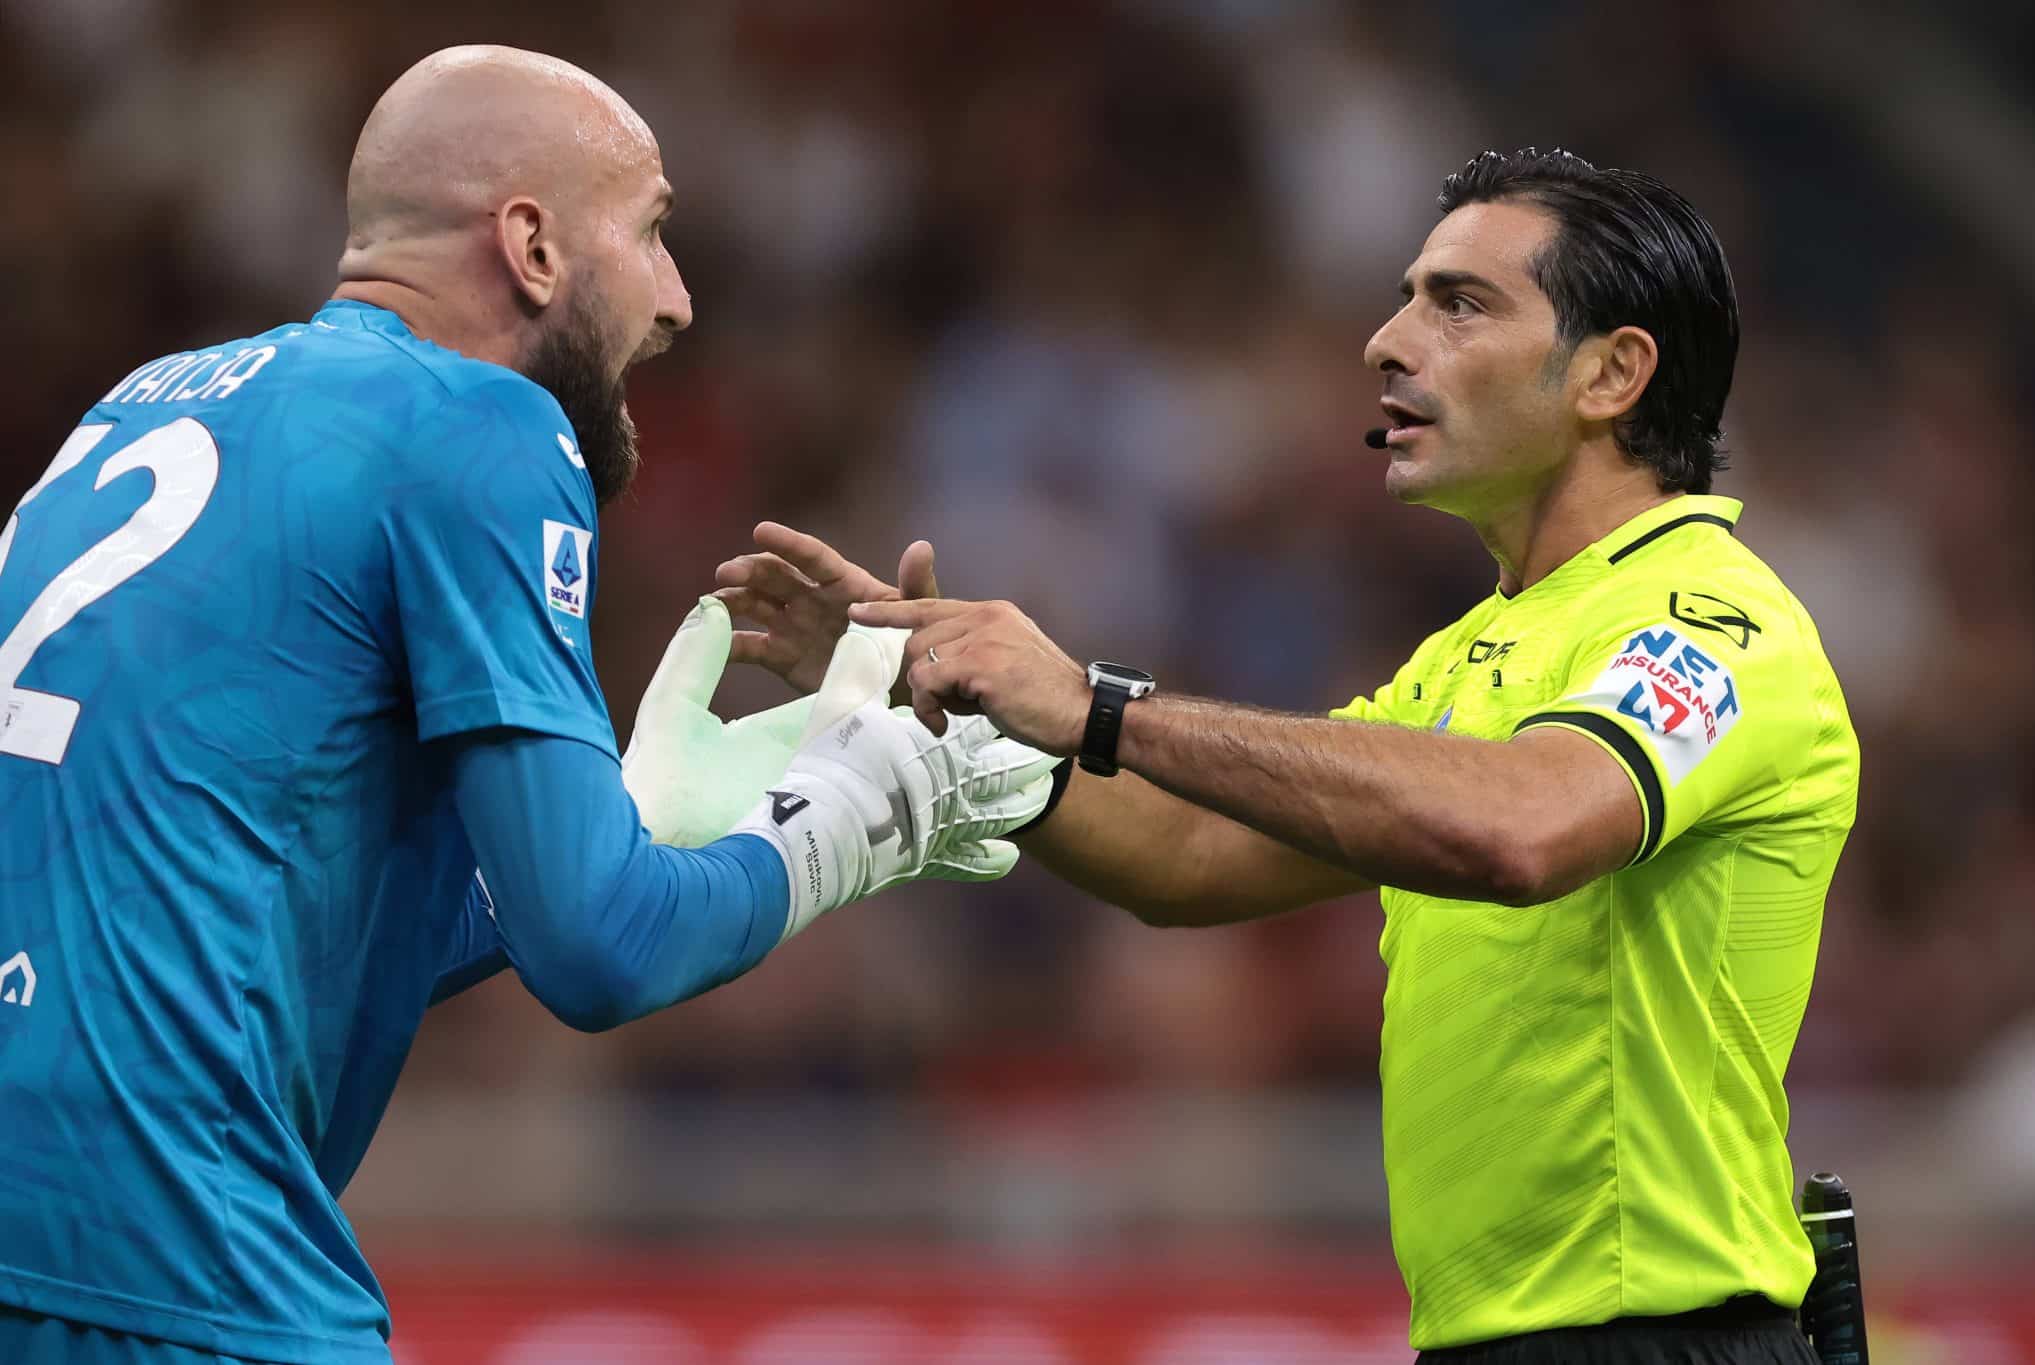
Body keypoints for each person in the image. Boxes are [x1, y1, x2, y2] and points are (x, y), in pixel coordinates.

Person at [716, 149, 1860, 1364]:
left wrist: (1095, 703)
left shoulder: (1715, 621)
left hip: (1661, 1337)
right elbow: (1192, 856)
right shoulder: (1474, 654)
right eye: (1406, 295)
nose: (1385, 339)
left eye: (1458, 304)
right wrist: (951, 707)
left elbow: (1522, 828)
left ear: (1610, 374)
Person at [0, 46, 1050, 1365]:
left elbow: (226, 910)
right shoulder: (481, 426)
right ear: (534, 246)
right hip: (178, 1264)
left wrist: (636, 822)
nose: (676, 299)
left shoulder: (130, 411)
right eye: (656, 230)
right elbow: (603, 954)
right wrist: (854, 818)